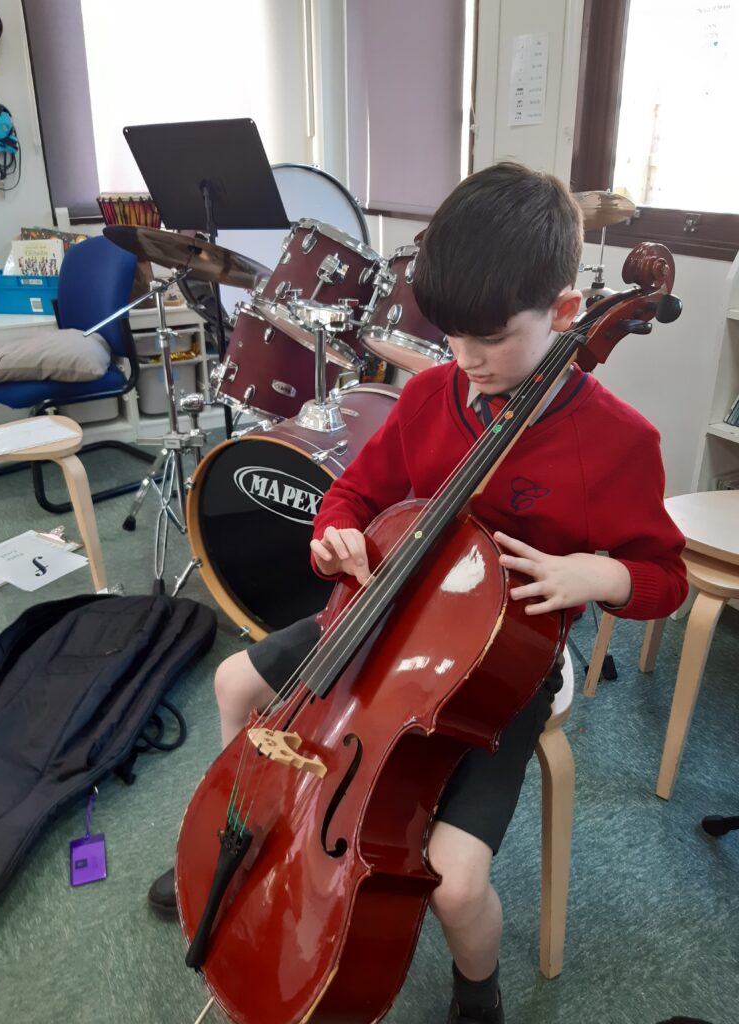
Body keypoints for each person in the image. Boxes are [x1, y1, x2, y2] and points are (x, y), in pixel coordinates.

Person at [148, 162, 688, 1024]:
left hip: (495, 675)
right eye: (453, 338)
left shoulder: (620, 442)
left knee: (457, 877)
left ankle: (478, 984)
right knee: (233, 683)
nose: (467, 363)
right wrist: (336, 533)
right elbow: (357, 493)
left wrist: (599, 576)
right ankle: (243, 835)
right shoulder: (435, 392)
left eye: (491, 341)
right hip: (376, 617)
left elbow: (666, 577)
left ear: (561, 313)